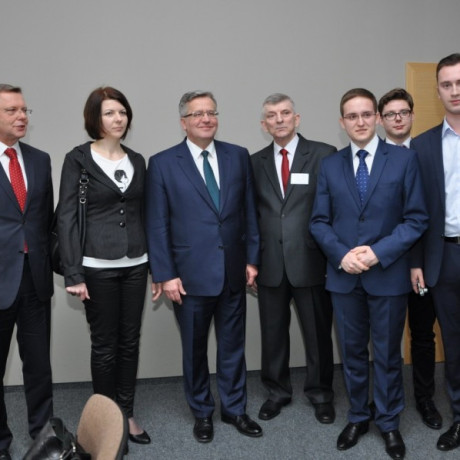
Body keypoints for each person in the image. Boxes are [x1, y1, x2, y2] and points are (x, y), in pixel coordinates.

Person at [310, 88, 428, 459]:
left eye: (366, 114)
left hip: (387, 275)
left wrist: (378, 252)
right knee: (352, 354)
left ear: (377, 118)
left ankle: (389, 422)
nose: (359, 122)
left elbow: (416, 219)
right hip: (344, 277)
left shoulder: (404, 160)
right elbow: (318, 221)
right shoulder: (331, 165)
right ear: (342, 122)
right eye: (351, 116)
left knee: (389, 355)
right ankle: (359, 416)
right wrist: (341, 255)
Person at [145, 90, 262, 443]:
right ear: (184, 122)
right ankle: (202, 412)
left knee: (233, 347)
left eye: (211, 112)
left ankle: (235, 409)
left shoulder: (237, 156)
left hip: (233, 271)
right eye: (197, 114)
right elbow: (157, 224)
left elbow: (249, 212)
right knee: (195, 351)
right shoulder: (163, 163)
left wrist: (252, 259)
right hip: (188, 277)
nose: (206, 119)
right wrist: (165, 273)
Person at [57, 87, 155, 447]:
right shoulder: (78, 159)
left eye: (122, 112)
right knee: (104, 345)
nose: (118, 119)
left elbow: (145, 213)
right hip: (96, 265)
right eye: (110, 113)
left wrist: (158, 267)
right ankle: (105, 422)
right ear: (95, 119)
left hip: (136, 263)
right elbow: (67, 218)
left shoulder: (138, 160)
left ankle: (126, 413)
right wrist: (73, 273)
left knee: (130, 342)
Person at [251, 93, 335, 424]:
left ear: (296, 119)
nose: (279, 119)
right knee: (272, 335)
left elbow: (334, 208)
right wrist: (251, 260)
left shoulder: (324, 155)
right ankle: (277, 392)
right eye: (272, 115)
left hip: (311, 260)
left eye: (285, 113)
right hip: (270, 262)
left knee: (317, 334)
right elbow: (250, 215)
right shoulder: (254, 162)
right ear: (264, 125)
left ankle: (321, 394)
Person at [378, 88, 441, 430]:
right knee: (383, 338)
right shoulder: (371, 157)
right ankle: (384, 399)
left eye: (404, 112)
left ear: (413, 115)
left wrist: (418, 261)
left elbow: (426, 214)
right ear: (380, 120)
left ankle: (424, 398)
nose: (398, 119)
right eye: (391, 114)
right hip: (382, 264)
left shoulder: (427, 154)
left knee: (422, 333)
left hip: (423, 264)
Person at [0, 84, 53, 460]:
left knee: (39, 366)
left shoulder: (39, 159)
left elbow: (44, 219)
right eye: (12, 111)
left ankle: (44, 436)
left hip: (35, 278)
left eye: (24, 110)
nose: (21, 117)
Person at [410, 52, 460, 452]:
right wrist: (416, 263)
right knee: (454, 345)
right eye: (447, 84)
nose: (455, 90)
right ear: (437, 91)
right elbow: (415, 212)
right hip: (444, 258)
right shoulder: (422, 145)